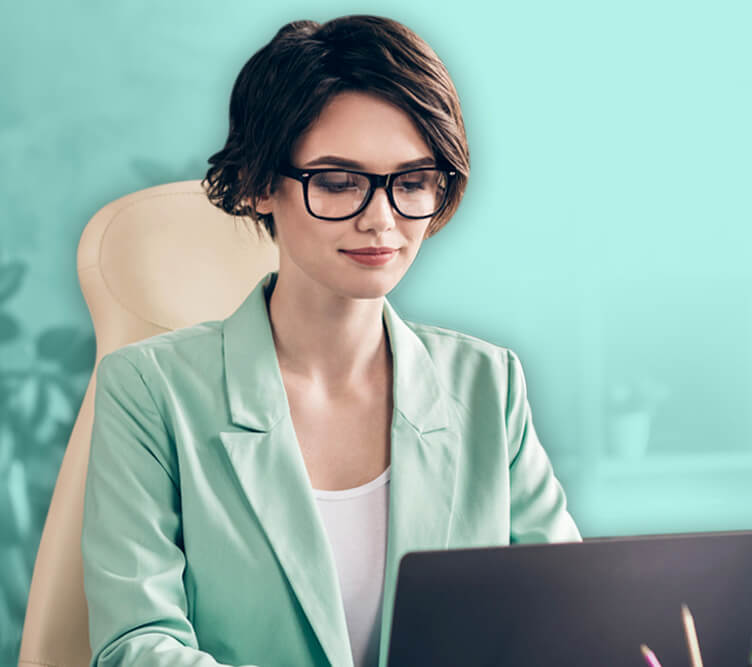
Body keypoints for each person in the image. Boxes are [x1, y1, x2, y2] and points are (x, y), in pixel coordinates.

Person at [81, 14, 581, 667]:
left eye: (410, 182)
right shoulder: (149, 389)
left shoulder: (488, 383)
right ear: (261, 184)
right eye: (338, 182)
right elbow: (136, 644)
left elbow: (572, 614)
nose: (381, 220)